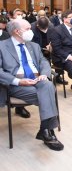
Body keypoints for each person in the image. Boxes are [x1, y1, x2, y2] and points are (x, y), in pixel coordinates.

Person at [0, 19, 63, 151]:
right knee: (48, 93)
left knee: (48, 86)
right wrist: (18, 81)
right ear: (17, 31)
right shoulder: (2, 46)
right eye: (28, 29)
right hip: (15, 84)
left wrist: (44, 74)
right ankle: (48, 132)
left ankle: (45, 129)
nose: (31, 31)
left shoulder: (33, 45)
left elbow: (43, 62)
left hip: (37, 79)